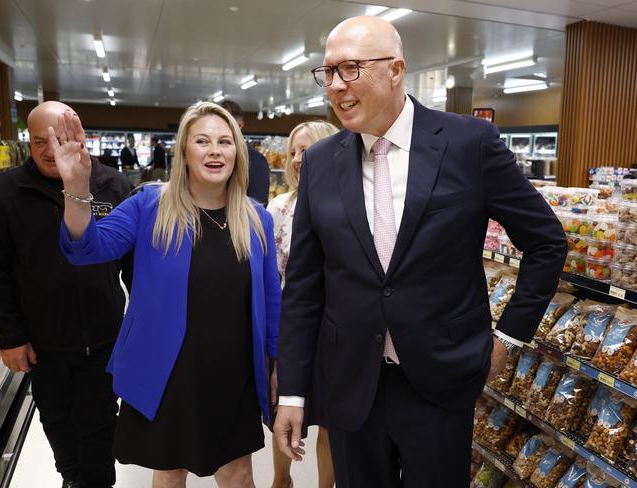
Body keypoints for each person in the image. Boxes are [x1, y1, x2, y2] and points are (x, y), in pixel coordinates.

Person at [274, 15, 567, 488]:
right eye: (327, 72)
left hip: (440, 381)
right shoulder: (322, 164)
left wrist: (508, 338)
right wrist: (292, 390)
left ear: (395, 69)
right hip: (350, 384)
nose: (335, 85)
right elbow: (304, 288)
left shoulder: (469, 144)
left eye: (350, 68)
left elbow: (547, 243)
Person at [55, 102, 281, 488]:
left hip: (233, 370)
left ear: (237, 152)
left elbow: (272, 299)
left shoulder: (255, 218)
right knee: (171, 470)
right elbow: (86, 248)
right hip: (167, 370)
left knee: (238, 473)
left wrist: (279, 364)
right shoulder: (149, 206)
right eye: (203, 141)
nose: (215, 150)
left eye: (225, 141)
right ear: (185, 153)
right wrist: (76, 187)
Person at [0, 101, 133, 488]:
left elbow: (138, 265)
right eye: (39, 142)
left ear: (80, 135)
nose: (51, 151)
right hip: (42, 342)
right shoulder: (4, 191)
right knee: (57, 419)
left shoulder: (113, 185)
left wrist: (147, 328)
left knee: (100, 422)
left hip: (104, 338)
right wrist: (10, 337)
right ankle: (71, 478)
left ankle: (98, 482)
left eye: (61, 138)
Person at [267, 121, 339, 488]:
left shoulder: (349, 204)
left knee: (331, 419)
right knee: (284, 412)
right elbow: (273, 278)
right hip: (292, 329)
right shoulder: (279, 207)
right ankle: (282, 481)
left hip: (336, 330)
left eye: (306, 150)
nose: (297, 159)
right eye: (293, 151)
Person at [220, 100, 270, 206]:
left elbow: (259, 204)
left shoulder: (255, 159)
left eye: (227, 122)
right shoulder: (215, 155)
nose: (221, 128)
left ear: (240, 125)